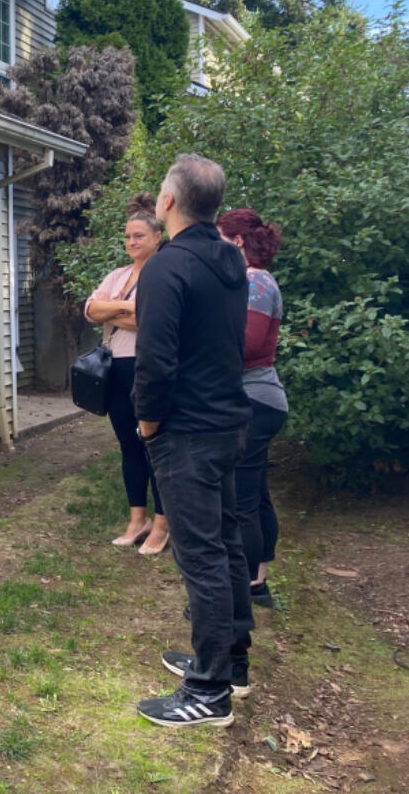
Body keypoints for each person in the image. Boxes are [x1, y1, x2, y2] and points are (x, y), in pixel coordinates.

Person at [132, 154, 253, 728]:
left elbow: (155, 362)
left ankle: (208, 692)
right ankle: (231, 663)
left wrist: (149, 424)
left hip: (189, 432)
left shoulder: (165, 266)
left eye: (159, 190)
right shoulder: (232, 258)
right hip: (230, 423)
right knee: (226, 546)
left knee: (201, 557)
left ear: (169, 203)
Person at [84, 194, 170, 554]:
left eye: (139, 236)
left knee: (156, 446)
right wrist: (123, 306)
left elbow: (151, 320)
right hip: (115, 368)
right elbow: (90, 309)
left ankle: (163, 524)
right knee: (128, 445)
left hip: (147, 366)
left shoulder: (162, 274)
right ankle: (138, 519)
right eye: (128, 237)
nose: (132, 242)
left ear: (157, 238)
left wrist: (115, 313)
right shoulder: (118, 275)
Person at [217, 209, 288, 608]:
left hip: (254, 401)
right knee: (256, 494)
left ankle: (238, 593)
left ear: (238, 241)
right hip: (260, 400)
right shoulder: (250, 281)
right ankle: (257, 585)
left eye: (221, 239)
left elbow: (243, 347)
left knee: (241, 501)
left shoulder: (256, 281)